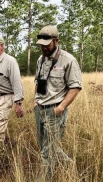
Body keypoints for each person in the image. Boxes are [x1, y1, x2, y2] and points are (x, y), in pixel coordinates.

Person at [33, 25, 82, 181]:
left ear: (56, 41)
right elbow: (38, 81)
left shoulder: (68, 60)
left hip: (55, 111)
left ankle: (43, 179)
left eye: (47, 44)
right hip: (39, 109)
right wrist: (35, 101)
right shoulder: (41, 59)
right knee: (45, 147)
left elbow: (75, 87)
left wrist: (60, 108)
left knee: (47, 151)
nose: (43, 47)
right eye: (41, 44)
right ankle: (69, 166)